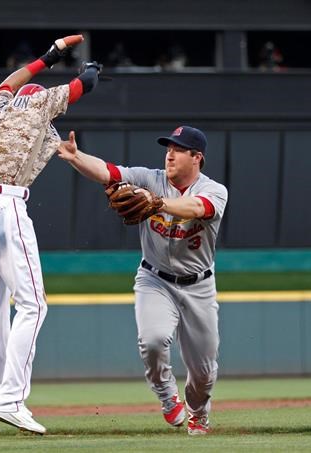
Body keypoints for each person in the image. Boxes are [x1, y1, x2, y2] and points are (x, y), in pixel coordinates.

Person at [0, 34, 101, 434]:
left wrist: (49, 57)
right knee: (33, 305)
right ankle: (9, 399)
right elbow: (83, 87)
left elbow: (10, 82)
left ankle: (6, 393)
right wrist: (90, 69)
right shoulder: (39, 104)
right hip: (5, 207)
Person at [57, 125, 227, 435]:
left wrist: (157, 203)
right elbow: (109, 172)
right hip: (155, 279)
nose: (170, 154)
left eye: (178, 149)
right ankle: (167, 398)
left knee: (203, 372)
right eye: (168, 148)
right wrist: (75, 156)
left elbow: (197, 208)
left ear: (197, 157)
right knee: (152, 340)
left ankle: (198, 413)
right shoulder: (150, 179)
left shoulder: (214, 189)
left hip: (198, 286)